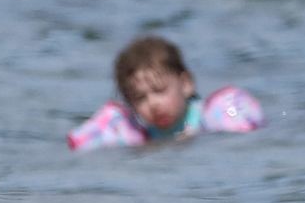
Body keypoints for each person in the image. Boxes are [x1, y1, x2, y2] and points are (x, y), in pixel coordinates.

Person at [68, 34, 264, 151]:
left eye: (160, 91)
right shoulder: (140, 137)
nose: (153, 103)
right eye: (140, 98)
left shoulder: (211, 118)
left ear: (186, 84)